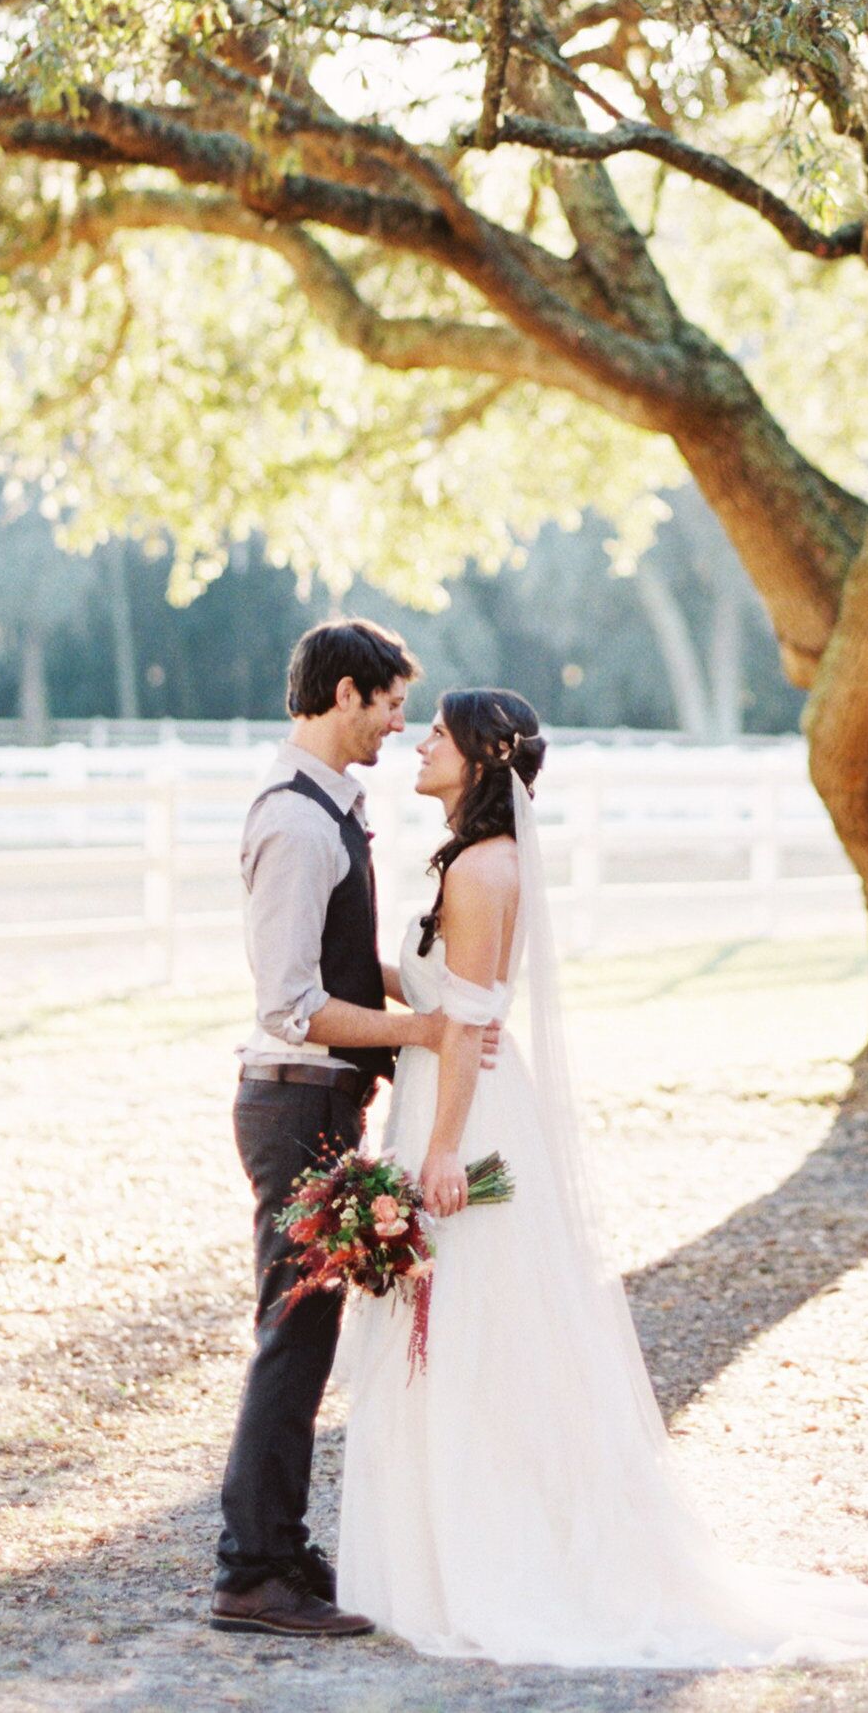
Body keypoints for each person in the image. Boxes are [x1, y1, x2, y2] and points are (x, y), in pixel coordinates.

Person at [334, 686, 868, 1667]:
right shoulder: (468, 857)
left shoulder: (484, 869)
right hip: (440, 1095)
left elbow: (465, 1023)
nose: (418, 743)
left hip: (464, 1113)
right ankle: (448, 1545)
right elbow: (440, 999)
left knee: (478, 1328)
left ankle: (498, 1550)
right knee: (453, 1325)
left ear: (483, 757)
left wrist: (444, 1148)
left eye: (438, 734)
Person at [209, 619, 497, 1640]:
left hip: (323, 1098)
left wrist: (433, 996)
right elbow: (290, 1001)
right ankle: (251, 1569)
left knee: (309, 1327)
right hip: (295, 1099)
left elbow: (339, 967)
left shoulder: (333, 810)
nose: (397, 723)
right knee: (293, 1332)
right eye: (385, 703)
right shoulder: (293, 822)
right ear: (341, 692)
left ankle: (279, 1549)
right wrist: (423, 1027)